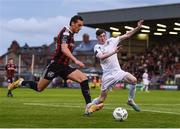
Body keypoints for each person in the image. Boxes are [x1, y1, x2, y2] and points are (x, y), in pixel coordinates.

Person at [8, 15, 103, 115]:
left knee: (83, 78)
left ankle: (89, 106)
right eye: (79, 25)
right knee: (39, 88)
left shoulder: (71, 35)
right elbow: (64, 48)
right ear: (72, 23)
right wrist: (75, 60)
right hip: (56, 65)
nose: (80, 28)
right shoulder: (66, 33)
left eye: (81, 26)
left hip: (64, 66)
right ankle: (21, 83)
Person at [92, 20, 144, 112]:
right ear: (97, 38)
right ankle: (89, 106)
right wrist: (114, 52)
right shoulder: (97, 47)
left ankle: (130, 100)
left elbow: (127, 35)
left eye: (104, 35)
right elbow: (101, 57)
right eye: (100, 36)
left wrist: (138, 28)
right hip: (107, 75)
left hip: (118, 72)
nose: (103, 38)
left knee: (134, 80)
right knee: (101, 99)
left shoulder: (112, 40)